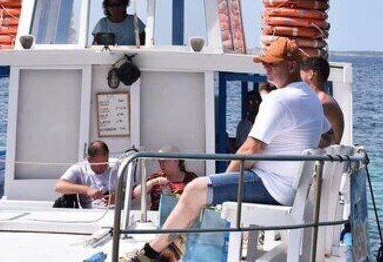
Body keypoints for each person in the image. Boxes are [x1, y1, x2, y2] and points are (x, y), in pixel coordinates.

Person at [123, 37, 329, 261]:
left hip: (271, 186)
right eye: (264, 64)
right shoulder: (311, 99)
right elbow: (328, 137)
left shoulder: (278, 100)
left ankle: (149, 254)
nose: (266, 68)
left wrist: (222, 182)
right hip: (292, 189)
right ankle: (171, 248)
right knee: (205, 190)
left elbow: (250, 150)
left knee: (196, 189)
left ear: (291, 65)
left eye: (273, 64)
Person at [132, 145, 198, 211]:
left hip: (183, 216)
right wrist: (154, 182)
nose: (161, 165)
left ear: (176, 160)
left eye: (164, 161)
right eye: (159, 162)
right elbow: (136, 193)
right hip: (158, 216)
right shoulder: (156, 177)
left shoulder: (191, 178)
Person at [54, 140, 117, 208]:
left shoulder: (117, 165)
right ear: (89, 160)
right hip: (89, 214)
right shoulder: (80, 168)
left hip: (116, 213)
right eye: (98, 164)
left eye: (104, 163)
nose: (102, 167)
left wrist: (119, 197)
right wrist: (86, 190)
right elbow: (58, 186)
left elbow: (130, 190)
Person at [301, 57, 344, 146]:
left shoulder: (324, 102)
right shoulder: (321, 100)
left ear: (310, 74)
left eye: (300, 73)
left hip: (325, 156)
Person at [230, 83, 277, 152]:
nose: (253, 104)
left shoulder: (266, 121)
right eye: (250, 102)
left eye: (256, 101)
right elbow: (239, 147)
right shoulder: (242, 125)